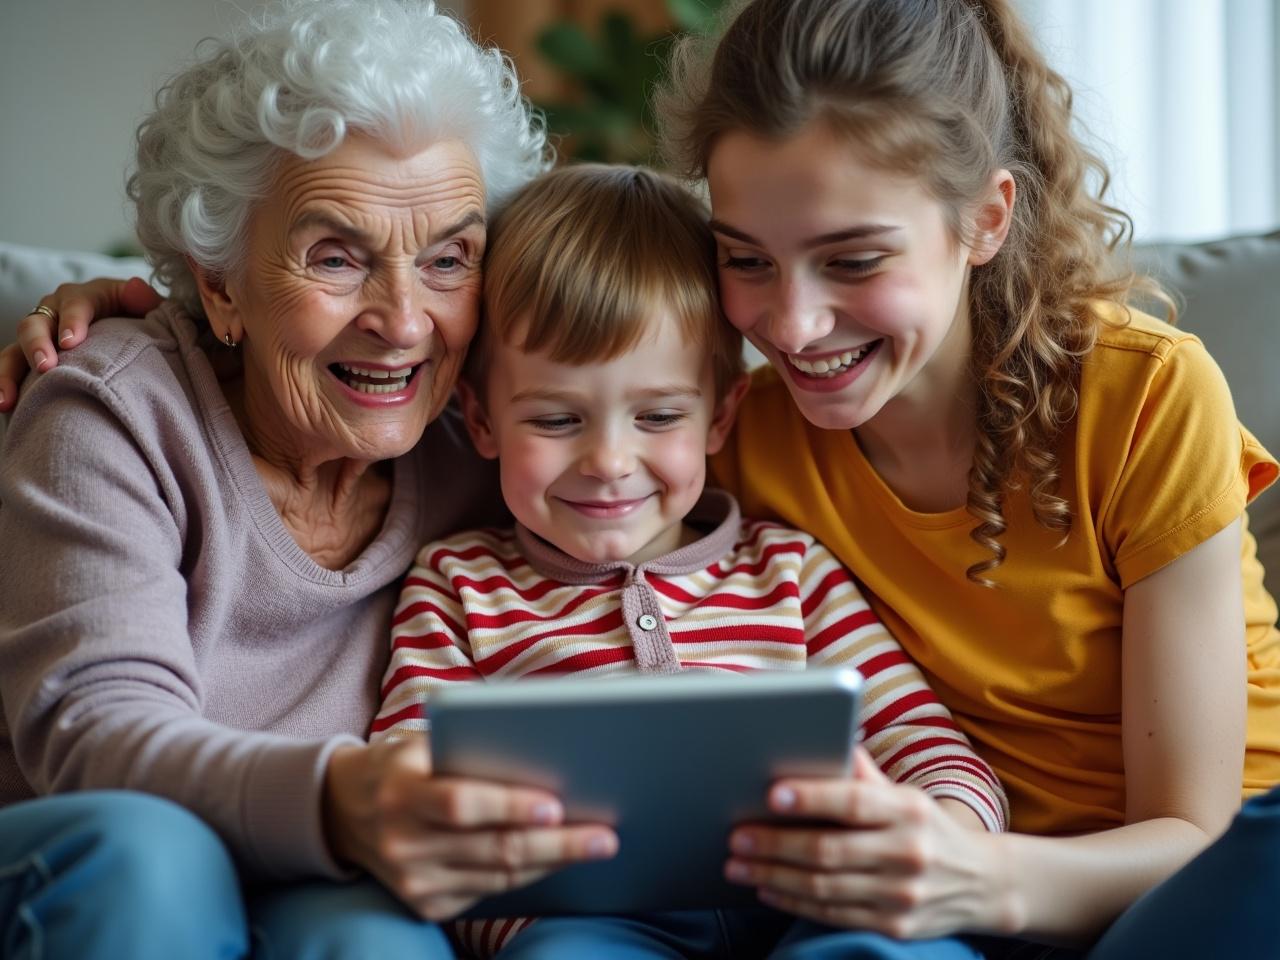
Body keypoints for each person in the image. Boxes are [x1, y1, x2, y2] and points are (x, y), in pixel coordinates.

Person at [9, 1, 1280, 957]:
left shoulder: (730, 455)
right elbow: (126, 727)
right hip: (540, 901)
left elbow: (993, 762)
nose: (790, 323)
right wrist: (124, 310)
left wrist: (952, 842)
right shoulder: (528, 446)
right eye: (335, 257)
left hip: (1008, 884)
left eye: (447, 257)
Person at [654, 0, 1280, 956]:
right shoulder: (743, 446)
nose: (792, 324)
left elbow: (1192, 834)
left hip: (1188, 886)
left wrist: (968, 874)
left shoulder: (1144, 396)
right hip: (939, 888)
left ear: (985, 218)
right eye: (748, 259)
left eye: (853, 260)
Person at [0, 1, 621, 957]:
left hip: (324, 872)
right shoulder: (113, 410)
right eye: (336, 257)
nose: (405, 320)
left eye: (449, 257)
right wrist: (342, 796)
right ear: (218, 285)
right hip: (102, 851)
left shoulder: (490, 432)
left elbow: (663, 362)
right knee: (155, 857)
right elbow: (95, 735)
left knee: (378, 934)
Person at [368, 163, 1009, 959]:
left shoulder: (791, 572)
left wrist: (942, 831)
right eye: (559, 418)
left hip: (813, 904)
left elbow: (925, 744)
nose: (609, 460)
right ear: (482, 419)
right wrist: (513, 918)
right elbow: (410, 792)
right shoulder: (456, 587)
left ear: (721, 415)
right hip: (584, 921)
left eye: (659, 415)